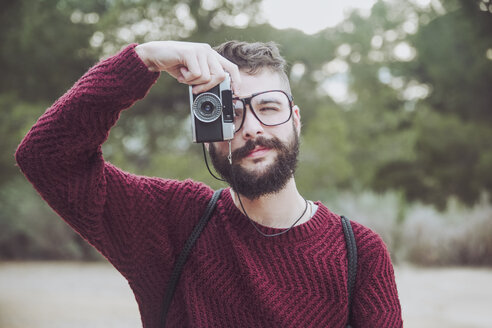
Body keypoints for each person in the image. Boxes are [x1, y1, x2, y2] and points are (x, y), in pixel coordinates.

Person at [16, 40, 403, 327]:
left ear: (295, 119)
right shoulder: (172, 221)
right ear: (206, 128)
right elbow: (46, 157)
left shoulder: (358, 253)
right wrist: (143, 60)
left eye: (268, 107)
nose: (251, 127)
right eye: (229, 112)